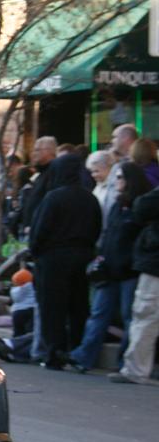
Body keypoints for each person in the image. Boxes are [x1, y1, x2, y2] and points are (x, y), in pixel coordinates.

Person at [69, 162, 151, 373]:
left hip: (129, 271)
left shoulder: (140, 207)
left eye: (121, 177)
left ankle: (125, 362)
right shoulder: (118, 205)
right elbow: (109, 235)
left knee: (129, 316)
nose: (116, 181)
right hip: (110, 268)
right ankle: (84, 356)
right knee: (99, 313)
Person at [28, 154, 103, 370]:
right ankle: (77, 348)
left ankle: (54, 352)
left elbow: (40, 230)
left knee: (53, 307)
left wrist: (36, 251)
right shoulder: (90, 198)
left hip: (53, 258)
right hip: (81, 256)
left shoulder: (54, 197)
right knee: (78, 305)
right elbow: (96, 228)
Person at [109, 181, 159, 384]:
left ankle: (136, 370)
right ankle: (136, 368)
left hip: (155, 263)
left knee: (146, 314)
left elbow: (142, 207)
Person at [21, 135, 59, 232]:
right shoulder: (41, 174)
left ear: (49, 151)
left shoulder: (54, 173)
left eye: (37, 150)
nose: (33, 154)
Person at [10, 268, 36, 338]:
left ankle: (16, 342)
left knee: (18, 330)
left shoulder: (14, 291)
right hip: (31, 309)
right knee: (31, 329)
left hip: (17, 312)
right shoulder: (31, 286)